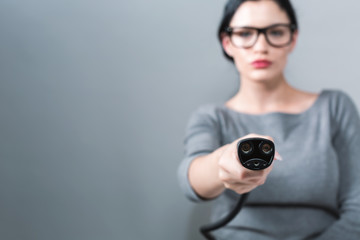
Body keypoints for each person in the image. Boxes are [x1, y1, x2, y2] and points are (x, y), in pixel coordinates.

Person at [177, 0, 360, 239]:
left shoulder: (334, 108)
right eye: (245, 34)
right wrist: (224, 162)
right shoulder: (212, 117)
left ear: (292, 39)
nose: (261, 46)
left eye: (275, 32)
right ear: (227, 42)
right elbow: (191, 180)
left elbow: (357, 208)